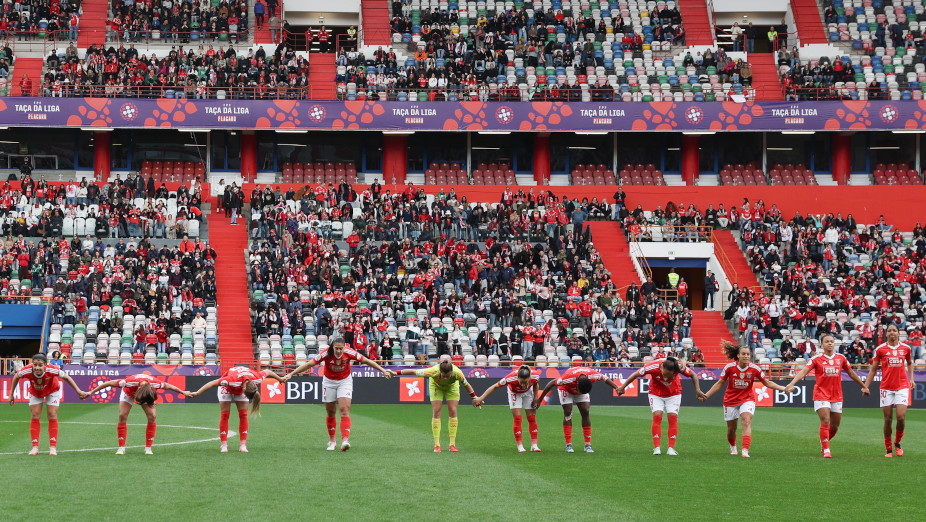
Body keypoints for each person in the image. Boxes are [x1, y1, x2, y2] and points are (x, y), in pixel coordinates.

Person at [285, 337, 395, 451]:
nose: (338, 351)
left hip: (345, 381)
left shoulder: (349, 352)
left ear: (344, 347)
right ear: (332, 347)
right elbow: (309, 364)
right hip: (329, 382)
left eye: (340, 349)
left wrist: (383, 370)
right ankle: (332, 441)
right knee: (331, 412)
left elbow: (367, 361)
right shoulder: (326, 353)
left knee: (344, 409)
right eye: (336, 348)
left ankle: (345, 441)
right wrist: (291, 374)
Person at [784, 334, 869, 458]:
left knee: (834, 426)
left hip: (837, 395)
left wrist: (864, 386)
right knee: (825, 420)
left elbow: (851, 373)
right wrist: (792, 383)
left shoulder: (841, 358)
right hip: (821, 394)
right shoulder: (816, 359)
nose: (830, 343)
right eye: (827, 341)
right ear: (821, 345)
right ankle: (826, 449)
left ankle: (824, 440)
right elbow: (804, 371)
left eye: (832, 341)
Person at [700, 342, 787, 458]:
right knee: (731, 430)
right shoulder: (729, 368)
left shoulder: (755, 369)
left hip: (747, 399)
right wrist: (707, 395)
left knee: (746, 421)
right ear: (738, 356)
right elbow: (719, 383)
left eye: (748, 354)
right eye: (743, 354)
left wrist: (783, 388)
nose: (746, 356)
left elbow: (767, 382)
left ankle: (745, 451)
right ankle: (733, 446)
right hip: (730, 400)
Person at [83, 374, 192, 455]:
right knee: (122, 415)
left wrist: (183, 392)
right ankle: (121, 447)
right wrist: (91, 392)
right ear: (138, 389)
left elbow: (169, 386)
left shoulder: (156, 384)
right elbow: (108, 383)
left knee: (152, 416)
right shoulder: (128, 382)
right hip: (128, 393)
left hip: (146, 395)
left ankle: (148, 448)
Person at [616, 357, 705, 455]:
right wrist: (623, 387)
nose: (665, 377)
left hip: (674, 394)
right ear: (662, 367)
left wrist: (697, 390)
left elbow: (693, 375)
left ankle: (671, 448)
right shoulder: (652, 366)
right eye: (664, 373)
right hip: (655, 393)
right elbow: (636, 374)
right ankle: (656, 448)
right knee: (657, 416)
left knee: (673, 418)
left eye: (668, 375)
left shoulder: (679, 367)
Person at [191, 366, 288, 453]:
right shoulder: (231, 379)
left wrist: (280, 379)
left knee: (243, 414)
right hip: (227, 387)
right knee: (225, 414)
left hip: (242, 383)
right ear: (244, 388)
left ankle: (243, 445)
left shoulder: (257, 378)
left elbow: (268, 371)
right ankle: (224, 445)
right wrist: (197, 393)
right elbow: (212, 383)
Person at [8, 353, 86, 455]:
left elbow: (66, 377)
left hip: (52, 390)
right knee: (35, 415)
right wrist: (11, 394)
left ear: (45, 365)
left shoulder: (52, 369)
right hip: (35, 392)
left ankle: (53, 447)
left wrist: (78, 391)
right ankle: (35, 447)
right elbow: (16, 377)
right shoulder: (27, 370)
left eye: (40, 365)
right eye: (35, 365)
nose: (37, 367)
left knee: (52, 414)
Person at [396, 357, 477, 452]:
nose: (446, 378)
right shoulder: (433, 371)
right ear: (440, 372)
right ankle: (437, 445)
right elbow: (413, 372)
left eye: (448, 376)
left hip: (452, 387)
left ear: (451, 371)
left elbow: (466, 385)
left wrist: (474, 397)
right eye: (444, 376)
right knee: (436, 411)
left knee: (453, 411)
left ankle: (452, 445)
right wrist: (395, 373)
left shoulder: (458, 373)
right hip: (436, 386)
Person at [533, 366, 620, 453]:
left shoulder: (593, 375)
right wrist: (540, 400)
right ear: (577, 384)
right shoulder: (567, 378)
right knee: (568, 413)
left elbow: (605, 378)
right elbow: (551, 383)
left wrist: (616, 387)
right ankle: (568, 445)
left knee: (585, 411)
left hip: (581, 387)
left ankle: (588, 445)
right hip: (566, 389)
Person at [862, 324, 915, 457]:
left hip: (902, 386)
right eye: (889, 331)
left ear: (898, 333)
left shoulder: (906, 348)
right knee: (888, 419)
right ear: (886, 334)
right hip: (886, 387)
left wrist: (912, 379)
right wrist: (866, 386)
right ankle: (888, 449)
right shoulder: (880, 349)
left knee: (901, 418)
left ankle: (897, 442)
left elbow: (909, 363)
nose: (892, 333)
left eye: (894, 330)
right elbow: (873, 369)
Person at [473, 364, 542, 452]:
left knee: (532, 418)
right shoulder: (509, 378)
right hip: (514, 393)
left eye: (526, 382)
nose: (524, 385)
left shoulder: (535, 376)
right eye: (521, 382)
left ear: (529, 377)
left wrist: (536, 398)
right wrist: (481, 398)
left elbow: (536, 384)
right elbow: (494, 387)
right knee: (517, 419)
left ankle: (534, 445)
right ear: (517, 377)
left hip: (528, 393)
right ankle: (520, 445)